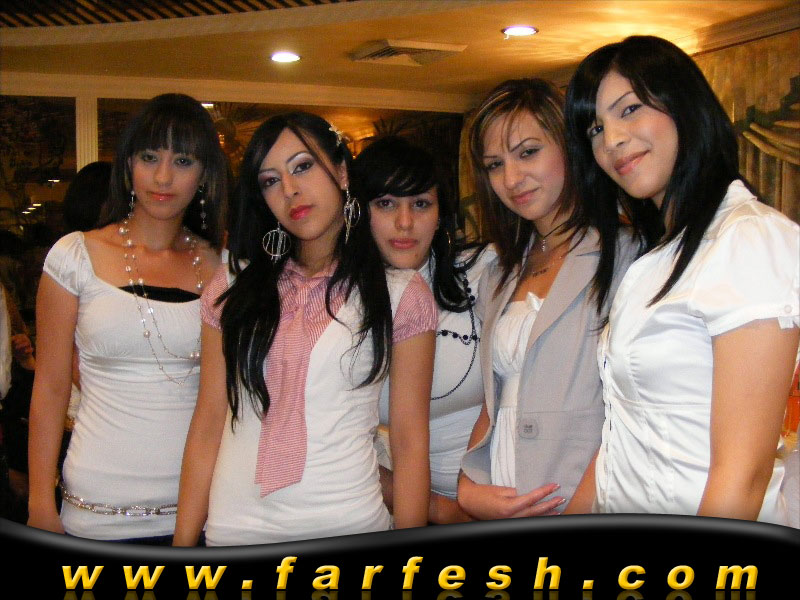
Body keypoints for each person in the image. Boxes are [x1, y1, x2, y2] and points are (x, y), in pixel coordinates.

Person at [563, 35, 799, 522]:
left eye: (630, 110)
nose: (611, 141)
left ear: (684, 105)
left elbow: (744, 475)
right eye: (595, 128)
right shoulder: (659, 255)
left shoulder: (748, 239)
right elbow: (624, 434)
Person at [173, 113, 436, 546]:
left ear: (342, 171)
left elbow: (409, 443)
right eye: (270, 180)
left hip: (347, 523)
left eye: (303, 166)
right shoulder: (233, 285)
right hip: (235, 529)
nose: (290, 190)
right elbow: (207, 423)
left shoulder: (401, 293)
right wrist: (182, 544)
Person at [27, 93, 228, 543]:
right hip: (94, 510)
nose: (163, 176)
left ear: (204, 175)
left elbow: (223, 402)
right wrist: (39, 500)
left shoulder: (225, 268)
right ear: (128, 164)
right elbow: (51, 386)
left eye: (182, 161)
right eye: (149, 157)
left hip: (200, 513)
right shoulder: (74, 256)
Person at [457, 78, 641, 520]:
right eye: (495, 164)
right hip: (506, 493)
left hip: (587, 496)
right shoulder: (499, 273)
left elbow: (633, 410)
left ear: (570, 147)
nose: (511, 179)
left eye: (528, 153)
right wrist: (469, 486)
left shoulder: (627, 255)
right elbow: (495, 399)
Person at [352, 135, 493, 524]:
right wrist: (441, 510)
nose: (405, 222)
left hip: (503, 493)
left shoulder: (484, 271)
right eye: (386, 204)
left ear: (441, 213)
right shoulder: (340, 303)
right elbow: (338, 445)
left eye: (420, 204)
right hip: (399, 502)